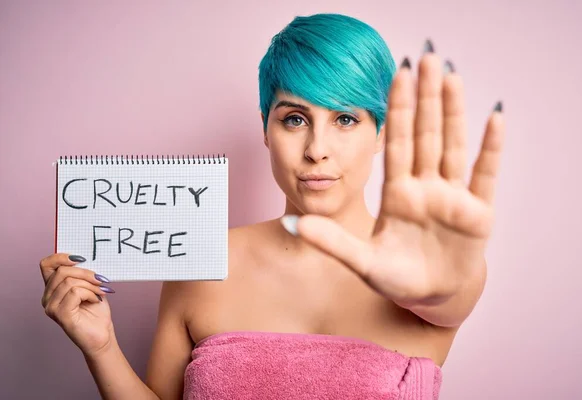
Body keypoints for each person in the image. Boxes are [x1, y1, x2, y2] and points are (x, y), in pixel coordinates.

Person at [39, 13, 504, 400]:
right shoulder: (199, 261)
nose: (317, 149)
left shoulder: (433, 269)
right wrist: (101, 347)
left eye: (345, 118)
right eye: (295, 119)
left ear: (381, 132)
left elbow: (448, 291)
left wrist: (437, 287)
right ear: (265, 128)